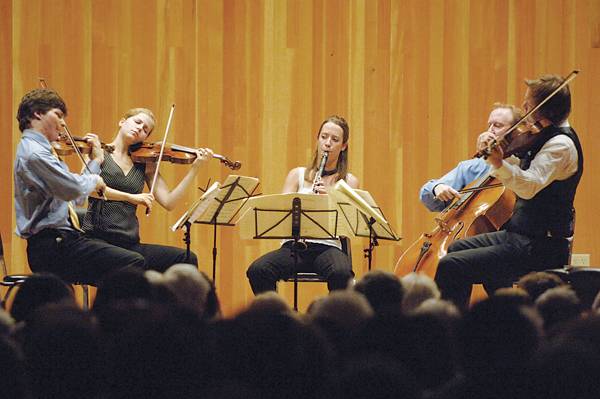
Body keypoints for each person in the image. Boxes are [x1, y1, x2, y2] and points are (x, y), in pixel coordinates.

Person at [434, 74, 583, 309]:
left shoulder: (560, 146)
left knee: (451, 265)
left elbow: (529, 186)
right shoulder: (542, 136)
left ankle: (452, 329)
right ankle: (506, 309)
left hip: (540, 245)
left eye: (528, 105)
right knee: (456, 248)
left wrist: (498, 163)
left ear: (547, 111)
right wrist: (496, 150)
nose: (524, 110)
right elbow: (516, 167)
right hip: (520, 235)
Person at [14, 88, 146, 284]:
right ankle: (111, 313)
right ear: (38, 114)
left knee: (122, 268)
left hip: (62, 241)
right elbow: (74, 189)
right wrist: (95, 180)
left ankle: (105, 312)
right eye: (58, 115)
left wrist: (97, 161)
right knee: (131, 263)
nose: (63, 123)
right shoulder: (35, 153)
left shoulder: (41, 151)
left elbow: (75, 197)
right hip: (52, 247)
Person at [82, 108, 213, 271]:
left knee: (186, 258)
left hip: (129, 244)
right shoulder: (97, 152)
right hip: (97, 240)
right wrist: (131, 198)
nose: (139, 129)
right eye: (137, 122)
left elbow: (169, 202)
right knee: (134, 262)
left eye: (145, 130)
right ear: (122, 121)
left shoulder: (145, 163)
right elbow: (88, 188)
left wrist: (195, 169)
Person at [246, 115, 359, 294]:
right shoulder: (296, 175)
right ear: (318, 139)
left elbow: (349, 225)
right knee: (258, 270)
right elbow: (281, 214)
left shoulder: (349, 181)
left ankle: (331, 319)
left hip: (328, 247)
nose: (327, 143)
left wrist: (330, 200)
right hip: (295, 246)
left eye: (335, 139)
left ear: (343, 146)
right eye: (324, 137)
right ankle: (278, 319)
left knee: (341, 273)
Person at [420, 103, 522, 212]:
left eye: (497, 125)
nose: (490, 131)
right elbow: (426, 194)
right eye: (489, 125)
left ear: (515, 132)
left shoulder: (525, 164)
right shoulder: (472, 167)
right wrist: (437, 187)